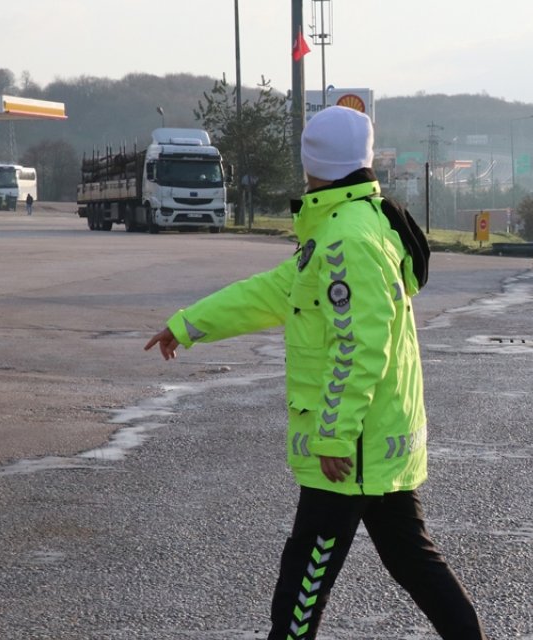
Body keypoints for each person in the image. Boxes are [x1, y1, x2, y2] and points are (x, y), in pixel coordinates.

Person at [143, 106, 485, 640]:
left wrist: (335, 434)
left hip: (351, 451)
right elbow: (274, 292)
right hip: (364, 445)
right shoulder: (344, 226)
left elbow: (361, 346)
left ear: (314, 162)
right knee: (409, 562)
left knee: (306, 577)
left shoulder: (347, 238)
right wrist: (189, 325)